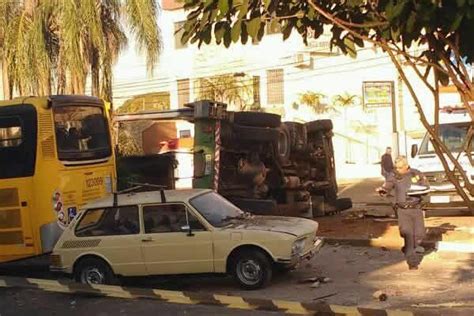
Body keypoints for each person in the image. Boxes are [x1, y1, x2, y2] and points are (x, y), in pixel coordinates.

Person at [376, 156, 430, 270]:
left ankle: (408, 248)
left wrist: (420, 191)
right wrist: (383, 190)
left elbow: (426, 187)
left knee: (419, 235)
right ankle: (412, 263)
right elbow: (388, 185)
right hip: (403, 210)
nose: (398, 169)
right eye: (396, 167)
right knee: (408, 234)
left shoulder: (416, 174)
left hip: (416, 209)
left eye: (400, 167)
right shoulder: (394, 175)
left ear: (406, 166)